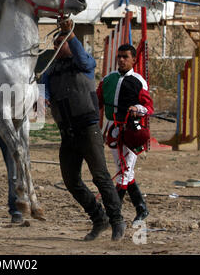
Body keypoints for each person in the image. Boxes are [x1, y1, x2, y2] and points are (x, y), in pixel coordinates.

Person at [41, 19, 126, 241]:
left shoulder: (83, 63)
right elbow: (45, 92)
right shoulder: (50, 71)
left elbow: (83, 59)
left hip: (87, 129)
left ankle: (116, 220)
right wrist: (43, 100)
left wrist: (71, 35)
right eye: (55, 43)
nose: (58, 46)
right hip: (67, 133)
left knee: (100, 176)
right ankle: (99, 219)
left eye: (63, 42)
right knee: (71, 181)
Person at [97, 44, 153, 224]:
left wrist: (138, 108)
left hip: (130, 130)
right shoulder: (108, 79)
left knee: (123, 172)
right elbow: (96, 101)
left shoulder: (138, 81)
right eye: (119, 56)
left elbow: (148, 107)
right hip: (113, 130)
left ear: (133, 59)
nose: (121, 60)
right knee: (124, 171)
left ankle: (113, 214)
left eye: (125, 57)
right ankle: (141, 208)